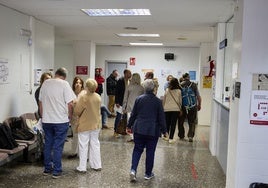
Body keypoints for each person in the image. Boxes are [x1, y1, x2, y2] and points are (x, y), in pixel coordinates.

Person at [126, 79, 168, 182]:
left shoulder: (139, 99)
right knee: (150, 151)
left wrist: (129, 125)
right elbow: (161, 118)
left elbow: (133, 114)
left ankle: (133, 170)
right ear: (154, 88)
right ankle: (148, 174)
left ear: (144, 88)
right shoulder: (158, 101)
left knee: (137, 150)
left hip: (139, 129)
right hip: (152, 131)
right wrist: (164, 131)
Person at [39, 67, 76, 178]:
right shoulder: (64, 84)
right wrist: (70, 115)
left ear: (56, 74)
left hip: (47, 120)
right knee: (58, 146)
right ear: (64, 76)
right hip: (60, 120)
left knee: (48, 144)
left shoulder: (45, 83)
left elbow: (40, 102)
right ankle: (57, 171)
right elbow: (70, 103)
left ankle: (47, 169)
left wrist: (42, 116)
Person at [74, 78, 102, 173]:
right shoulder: (98, 96)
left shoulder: (83, 97)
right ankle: (97, 165)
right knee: (95, 144)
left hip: (85, 124)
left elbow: (77, 111)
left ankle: (82, 167)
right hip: (95, 124)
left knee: (83, 145)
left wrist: (75, 103)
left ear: (87, 87)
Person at [178, 73, 201, 142]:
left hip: (182, 107)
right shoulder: (194, 85)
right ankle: (190, 136)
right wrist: (199, 104)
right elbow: (198, 96)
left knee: (181, 121)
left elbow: (178, 97)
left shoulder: (179, 85)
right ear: (189, 77)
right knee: (192, 122)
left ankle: (181, 135)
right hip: (192, 106)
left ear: (183, 77)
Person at [122, 73, 144, 142]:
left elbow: (125, 98)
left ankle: (132, 137)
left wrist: (123, 108)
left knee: (130, 123)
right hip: (139, 108)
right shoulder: (142, 88)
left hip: (130, 107)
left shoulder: (129, 87)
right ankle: (137, 137)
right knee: (137, 123)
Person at [68, 76, 84, 159]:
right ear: (74, 84)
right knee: (75, 135)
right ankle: (74, 152)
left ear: (82, 85)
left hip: (83, 118)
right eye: (76, 83)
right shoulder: (71, 93)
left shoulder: (84, 94)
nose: (78, 84)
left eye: (80, 83)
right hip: (74, 118)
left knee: (82, 136)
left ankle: (82, 153)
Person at [162, 78, 182, 144]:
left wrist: (162, 108)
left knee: (167, 123)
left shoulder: (167, 90)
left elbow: (164, 100)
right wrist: (180, 108)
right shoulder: (179, 91)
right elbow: (180, 101)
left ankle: (166, 137)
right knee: (173, 124)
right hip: (175, 109)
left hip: (167, 109)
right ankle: (171, 138)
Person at [113, 69, 132, 137]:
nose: (131, 74)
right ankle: (115, 131)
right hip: (120, 102)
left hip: (126, 102)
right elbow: (117, 91)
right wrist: (117, 102)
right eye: (129, 73)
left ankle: (123, 131)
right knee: (118, 117)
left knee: (125, 117)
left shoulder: (129, 81)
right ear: (125, 73)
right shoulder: (120, 80)